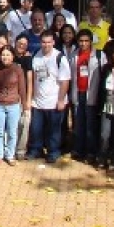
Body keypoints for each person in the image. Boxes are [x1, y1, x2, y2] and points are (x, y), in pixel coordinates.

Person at [26, 30, 71, 163]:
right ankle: (35, 150)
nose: (46, 45)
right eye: (43, 42)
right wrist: (31, 97)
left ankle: (53, 152)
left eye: (48, 42)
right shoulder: (35, 55)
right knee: (36, 128)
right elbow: (33, 77)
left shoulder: (60, 58)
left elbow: (65, 81)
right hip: (38, 101)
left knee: (54, 130)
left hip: (54, 100)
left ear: (53, 42)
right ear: (40, 42)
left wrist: (61, 100)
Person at [71, 29, 106, 164]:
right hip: (78, 92)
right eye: (81, 41)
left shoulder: (99, 55)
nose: (83, 43)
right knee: (78, 124)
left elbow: (103, 74)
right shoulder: (74, 55)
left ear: (91, 42)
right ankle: (79, 150)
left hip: (92, 93)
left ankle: (91, 152)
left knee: (90, 125)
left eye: (86, 41)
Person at [0, 46, 25, 166]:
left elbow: (22, 89)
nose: (5, 57)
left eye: (8, 55)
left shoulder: (18, 69)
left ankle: (10, 155)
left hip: (14, 105)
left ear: (13, 56)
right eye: (3, 55)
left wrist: (24, 105)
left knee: (12, 132)